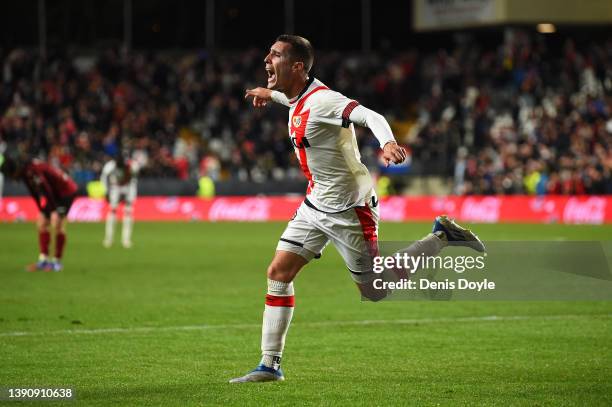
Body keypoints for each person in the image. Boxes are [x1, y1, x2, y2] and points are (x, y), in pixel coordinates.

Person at [232, 35, 485, 383]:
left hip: (350, 208)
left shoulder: (324, 101)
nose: (265, 60)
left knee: (374, 290)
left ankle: (440, 236)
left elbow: (369, 115)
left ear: (297, 67)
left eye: (274, 55)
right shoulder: (297, 97)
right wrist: (269, 94)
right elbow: (291, 101)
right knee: (278, 273)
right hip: (315, 202)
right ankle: (269, 365)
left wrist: (389, 142)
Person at [0, 154, 77, 272]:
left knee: (58, 225)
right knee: (41, 222)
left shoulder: (32, 170)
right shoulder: (25, 171)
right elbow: (34, 193)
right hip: (55, 194)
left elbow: (46, 188)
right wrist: (41, 210)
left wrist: (53, 211)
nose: (12, 178)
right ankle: (44, 260)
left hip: (65, 192)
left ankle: (56, 262)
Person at [100, 153, 140, 248]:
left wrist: (131, 196)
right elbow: (104, 178)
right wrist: (106, 192)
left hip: (127, 188)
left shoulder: (133, 166)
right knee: (112, 211)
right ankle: (109, 239)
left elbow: (134, 181)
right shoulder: (110, 166)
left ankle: (126, 240)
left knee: (128, 212)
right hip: (115, 188)